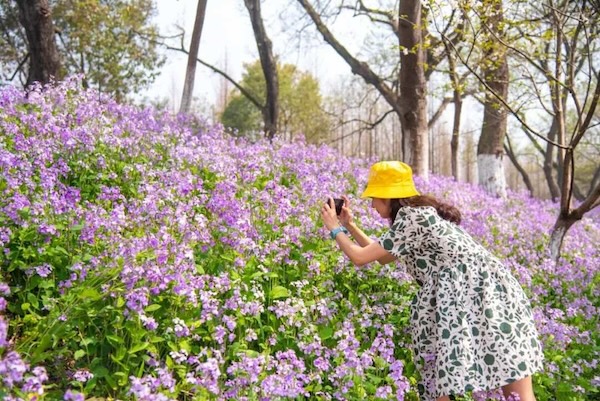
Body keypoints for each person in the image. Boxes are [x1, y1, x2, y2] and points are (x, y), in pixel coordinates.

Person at [321, 161, 543, 401]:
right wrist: (349, 226)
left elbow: (360, 257)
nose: (372, 205)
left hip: (474, 295)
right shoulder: (418, 214)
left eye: (374, 198)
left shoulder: (411, 216)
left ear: (388, 196)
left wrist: (334, 228)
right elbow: (383, 257)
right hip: (486, 292)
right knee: (506, 369)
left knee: (487, 377)